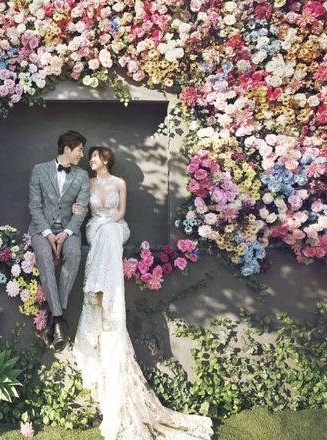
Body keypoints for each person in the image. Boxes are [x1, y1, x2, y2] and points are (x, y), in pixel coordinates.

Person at [72, 146, 213, 440]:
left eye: (95, 156)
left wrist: (110, 222)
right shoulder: (87, 183)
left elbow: (121, 212)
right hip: (95, 227)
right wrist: (78, 211)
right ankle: (97, 288)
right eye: (90, 157)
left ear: (106, 159)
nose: (91, 160)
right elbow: (83, 210)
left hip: (115, 226)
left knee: (111, 232)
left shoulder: (119, 183)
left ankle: (102, 290)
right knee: (101, 232)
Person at [28, 130, 90, 351]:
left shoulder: (82, 175)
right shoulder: (39, 170)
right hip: (41, 229)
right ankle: (59, 318)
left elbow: (81, 209)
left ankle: (54, 319)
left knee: (74, 253)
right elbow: (34, 206)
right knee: (44, 255)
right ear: (67, 149)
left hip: (69, 230)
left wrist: (66, 233)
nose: (82, 154)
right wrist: (47, 233)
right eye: (79, 150)